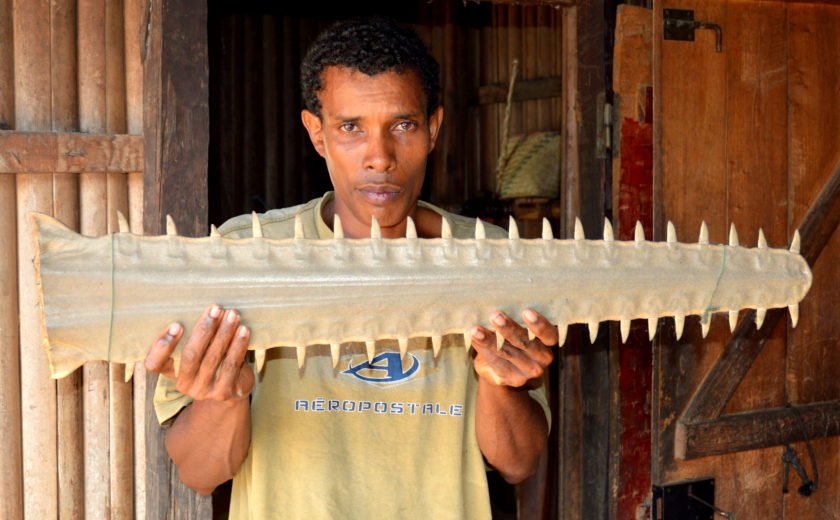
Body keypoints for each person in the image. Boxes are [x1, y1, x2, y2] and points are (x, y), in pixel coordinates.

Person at [146, 18, 557, 519]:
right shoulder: (242, 256)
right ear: (316, 133)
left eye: (403, 125)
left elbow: (518, 464)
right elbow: (199, 473)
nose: (379, 157)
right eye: (350, 128)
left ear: (433, 129)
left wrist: (499, 383)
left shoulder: (496, 261)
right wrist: (224, 397)